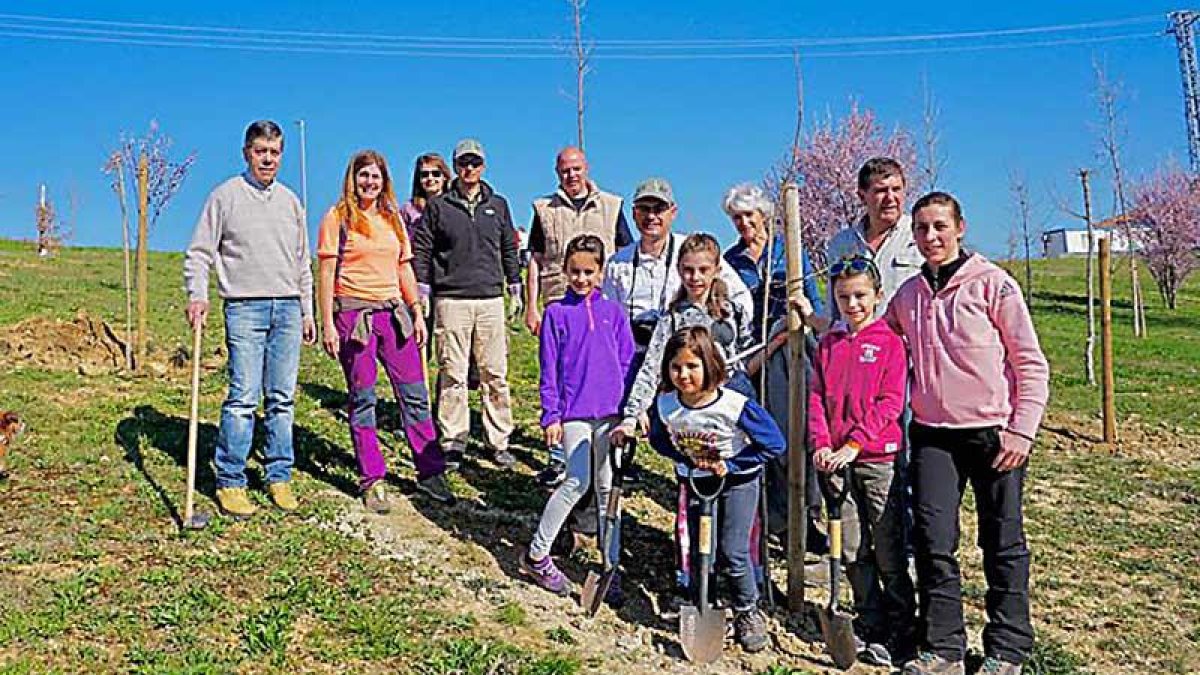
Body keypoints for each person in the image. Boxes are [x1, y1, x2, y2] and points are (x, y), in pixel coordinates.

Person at [889, 193, 1049, 675]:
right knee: (934, 541)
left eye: (939, 226)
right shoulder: (908, 295)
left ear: (960, 227)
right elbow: (876, 339)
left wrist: (1021, 431)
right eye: (921, 229)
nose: (931, 237)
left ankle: (1007, 648)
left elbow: (1030, 363)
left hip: (995, 435)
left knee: (1002, 542)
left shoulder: (994, 286)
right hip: (934, 436)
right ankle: (943, 648)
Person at [183, 120, 316, 518]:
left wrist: (307, 311)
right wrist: (197, 295)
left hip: (288, 308)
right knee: (243, 397)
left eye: (274, 152)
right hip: (244, 307)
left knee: (282, 398)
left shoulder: (291, 202)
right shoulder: (225, 196)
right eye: (261, 151)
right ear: (247, 153)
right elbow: (200, 252)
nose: (268, 159)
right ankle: (231, 480)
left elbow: (302, 263)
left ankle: (279, 475)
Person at [315, 150, 456, 512]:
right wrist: (328, 322)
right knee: (363, 398)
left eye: (375, 176)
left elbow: (404, 268)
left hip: (393, 315)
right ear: (353, 178)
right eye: (363, 176)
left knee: (414, 394)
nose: (369, 183)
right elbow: (327, 272)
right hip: (354, 316)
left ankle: (430, 472)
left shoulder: (394, 218)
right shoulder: (338, 217)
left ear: (384, 181)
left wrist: (416, 312)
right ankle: (372, 478)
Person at [647, 326, 785, 653]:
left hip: (738, 482)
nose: (684, 375)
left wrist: (733, 464)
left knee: (732, 550)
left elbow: (774, 442)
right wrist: (685, 456)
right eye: (676, 367)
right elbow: (657, 438)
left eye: (692, 367)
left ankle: (746, 611)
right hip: (697, 481)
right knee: (699, 549)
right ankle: (701, 601)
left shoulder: (733, 405)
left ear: (710, 365)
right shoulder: (666, 405)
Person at [809, 254, 916, 667]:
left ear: (877, 296)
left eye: (859, 296)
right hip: (835, 461)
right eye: (843, 297)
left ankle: (902, 624)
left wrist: (854, 444)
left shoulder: (889, 343)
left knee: (888, 545)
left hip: (876, 459)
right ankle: (868, 619)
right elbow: (817, 397)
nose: (851, 304)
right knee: (851, 545)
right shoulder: (830, 344)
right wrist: (821, 442)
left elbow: (890, 403)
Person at [520, 234, 634, 600]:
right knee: (575, 482)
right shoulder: (556, 314)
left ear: (601, 272)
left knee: (607, 490)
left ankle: (610, 565)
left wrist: (630, 413)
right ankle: (537, 554)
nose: (582, 279)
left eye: (589, 272)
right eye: (575, 272)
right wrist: (550, 416)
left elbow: (628, 362)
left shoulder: (613, 313)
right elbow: (548, 370)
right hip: (574, 415)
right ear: (565, 271)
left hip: (610, 416)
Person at [412, 138, 522, 470]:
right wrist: (422, 288)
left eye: (474, 162)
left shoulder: (498, 205)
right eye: (463, 163)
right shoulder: (439, 206)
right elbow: (423, 249)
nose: (469, 168)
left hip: (490, 298)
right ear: (455, 166)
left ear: (484, 165)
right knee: (453, 373)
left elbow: (508, 247)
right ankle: (453, 440)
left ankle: (498, 440)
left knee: (495, 373)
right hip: (451, 299)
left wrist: (514, 285)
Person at [611, 232, 755, 446]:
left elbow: (747, 354)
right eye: (688, 270)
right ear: (679, 270)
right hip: (693, 404)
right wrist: (633, 414)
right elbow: (652, 367)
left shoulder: (733, 312)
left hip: (733, 397)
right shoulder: (672, 319)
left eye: (703, 270)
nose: (695, 277)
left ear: (717, 270)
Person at [524, 146, 632, 335]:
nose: (571, 175)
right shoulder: (543, 209)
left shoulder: (612, 205)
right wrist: (532, 307)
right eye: (565, 171)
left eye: (576, 169)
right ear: (557, 172)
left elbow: (626, 255)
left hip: (602, 299)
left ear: (586, 168)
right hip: (558, 300)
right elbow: (535, 261)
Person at [826, 157, 924, 319]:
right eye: (881, 191)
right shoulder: (841, 244)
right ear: (862, 196)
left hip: (905, 342)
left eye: (896, 189)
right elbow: (833, 310)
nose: (890, 198)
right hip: (854, 342)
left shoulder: (919, 236)